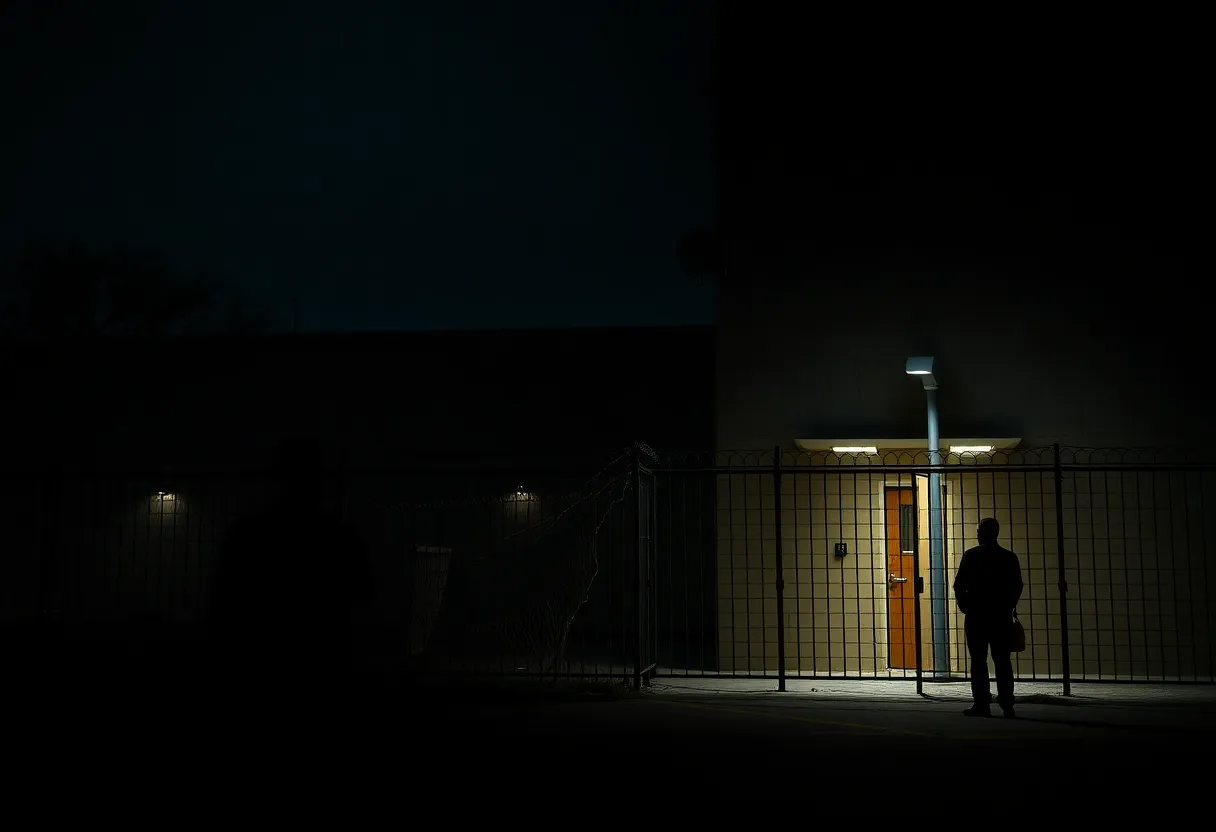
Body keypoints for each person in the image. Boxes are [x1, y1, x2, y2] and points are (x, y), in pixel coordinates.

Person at [208, 436, 375, 702]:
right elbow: (363, 595)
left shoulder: (248, 535)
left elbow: (221, 601)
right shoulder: (338, 537)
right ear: (320, 482)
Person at [952, 517, 1023, 718]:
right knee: (1002, 660)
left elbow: (959, 585)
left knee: (978, 660)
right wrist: (1008, 605)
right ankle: (1007, 704)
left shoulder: (971, 555)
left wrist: (966, 606)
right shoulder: (1009, 557)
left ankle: (982, 704)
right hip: (1000, 615)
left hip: (977, 615)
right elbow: (1017, 585)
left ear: (980, 533)